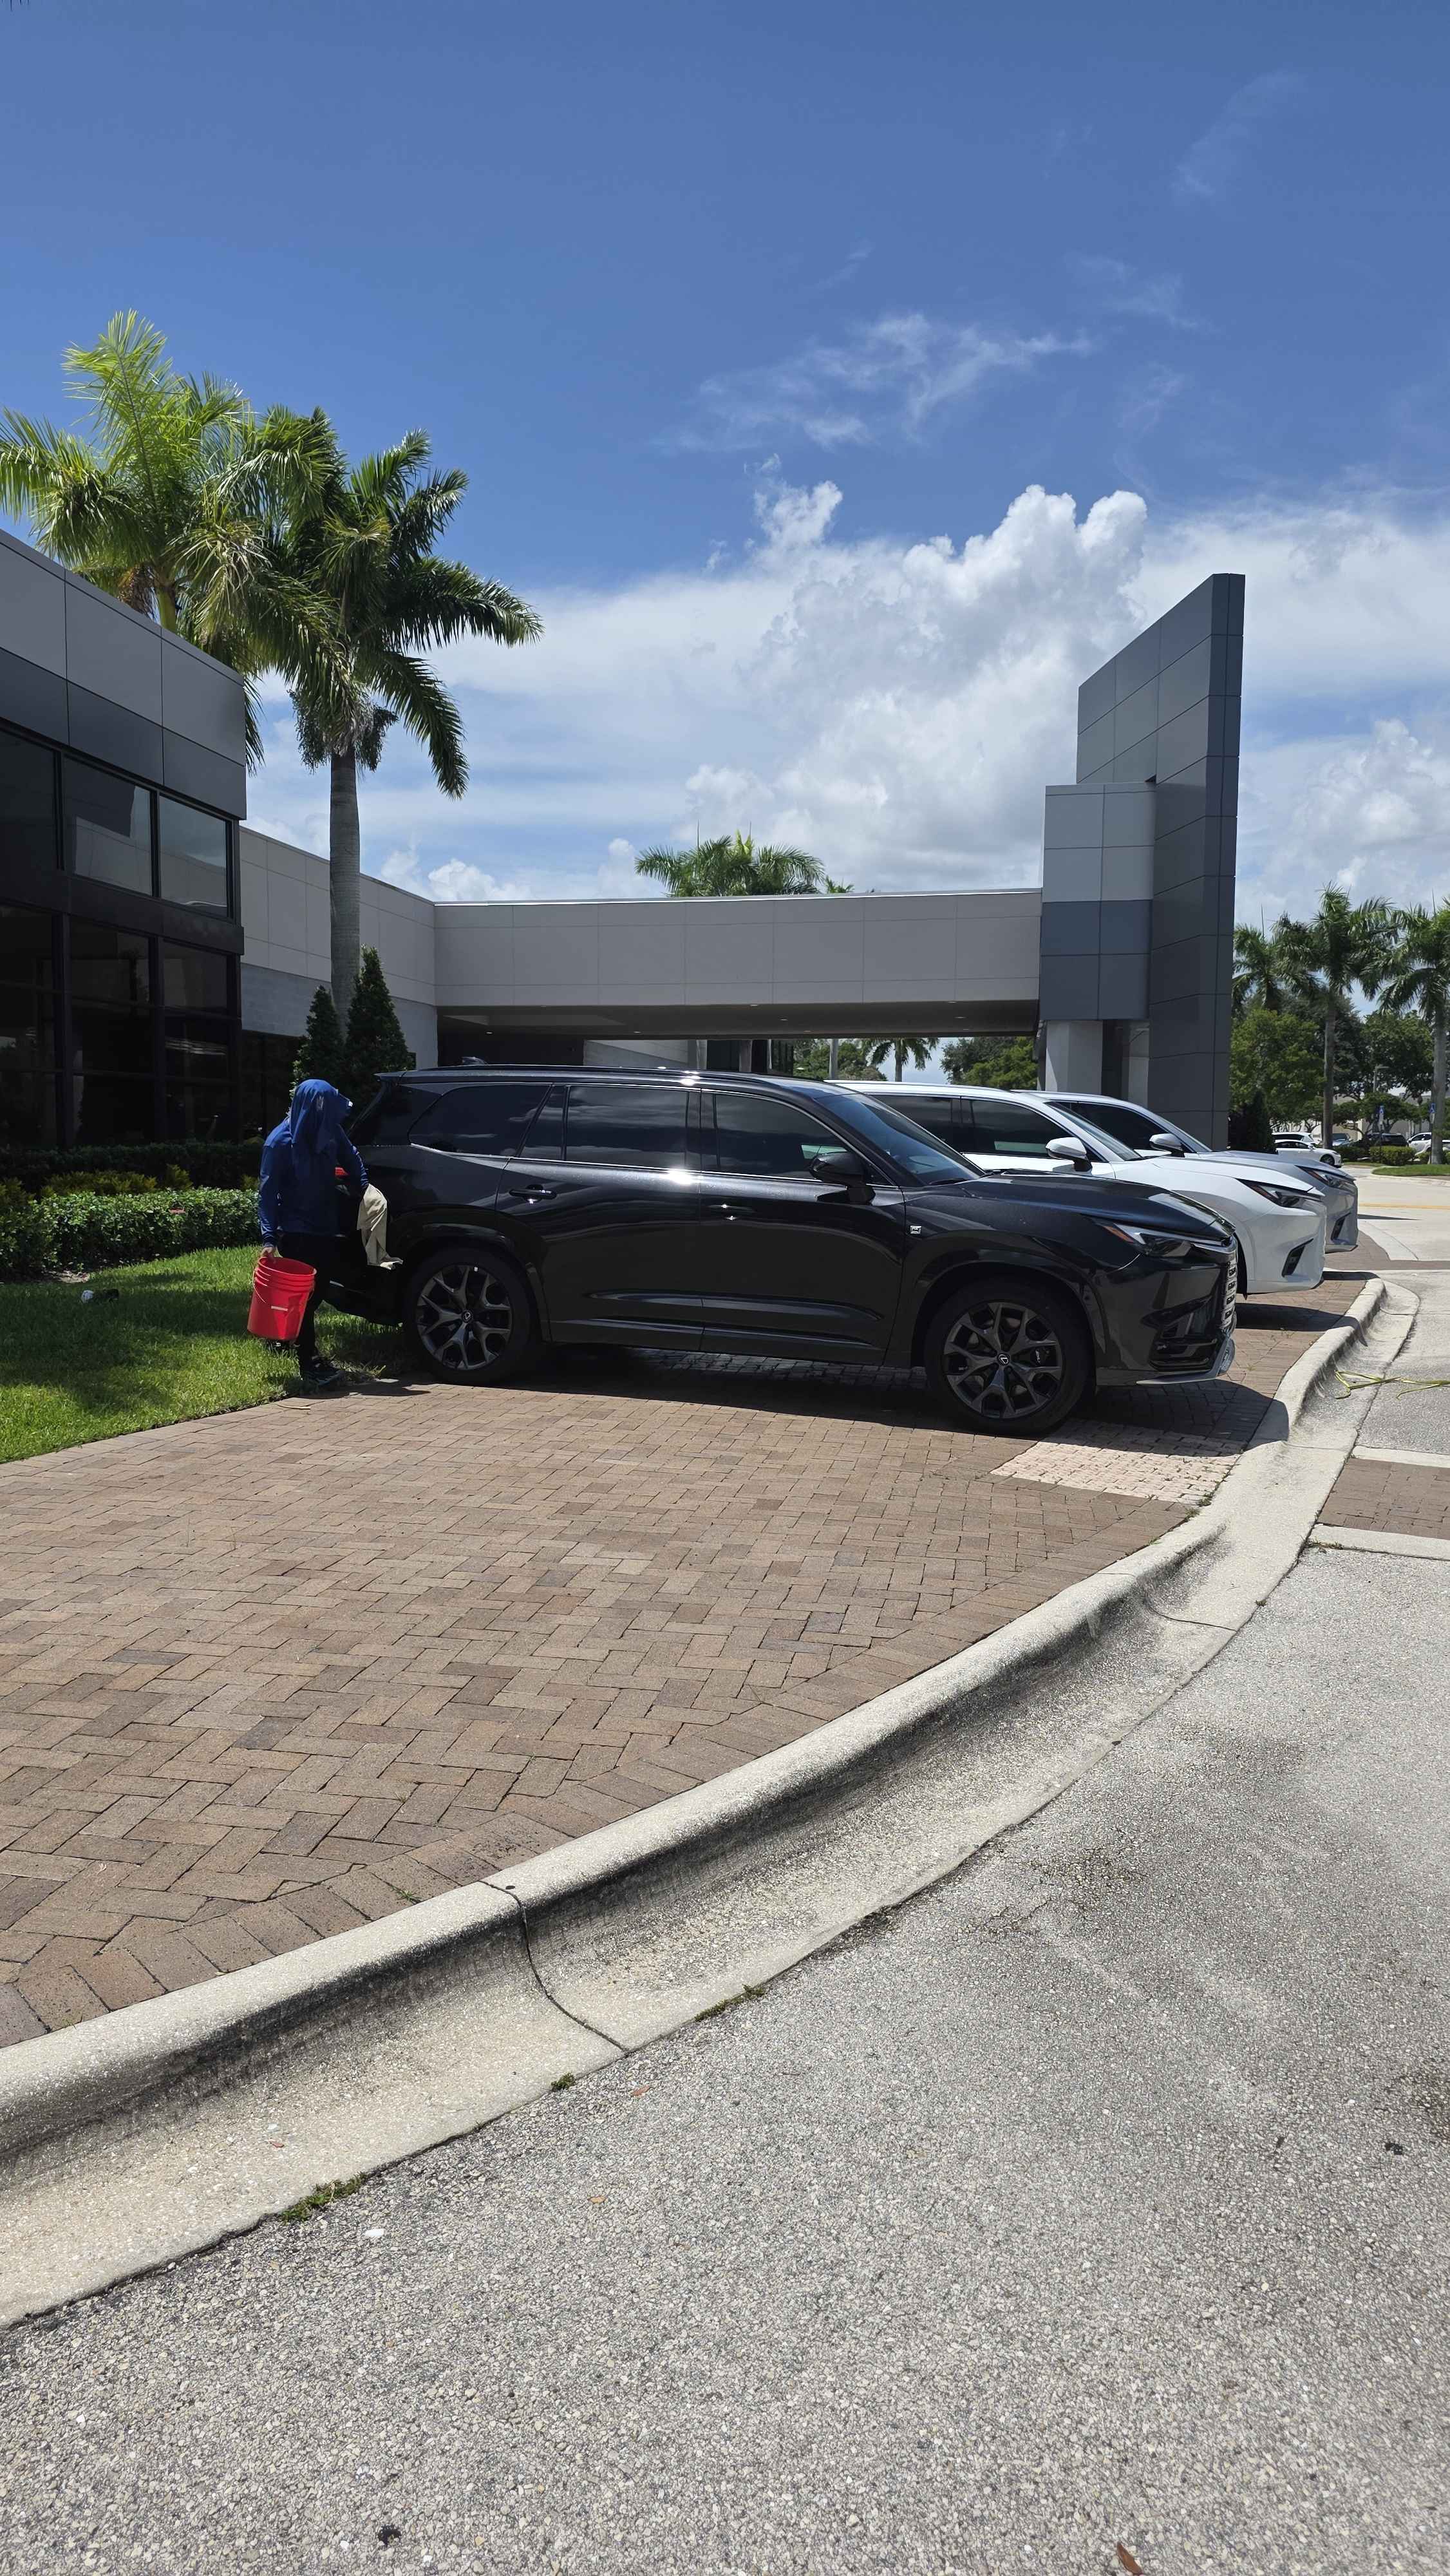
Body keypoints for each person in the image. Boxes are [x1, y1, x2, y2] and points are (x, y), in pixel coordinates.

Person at [258, 1077, 367, 1390]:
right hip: (295, 1230)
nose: (329, 1122)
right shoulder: (279, 1143)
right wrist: (269, 1238)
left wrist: (364, 1186)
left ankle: (283, 1336)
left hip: (325, 1224)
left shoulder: (330, 1129)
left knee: (318, 1291)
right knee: (304, 1296)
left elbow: (351, 1156)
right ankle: (310, 1363)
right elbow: (267, 1193)